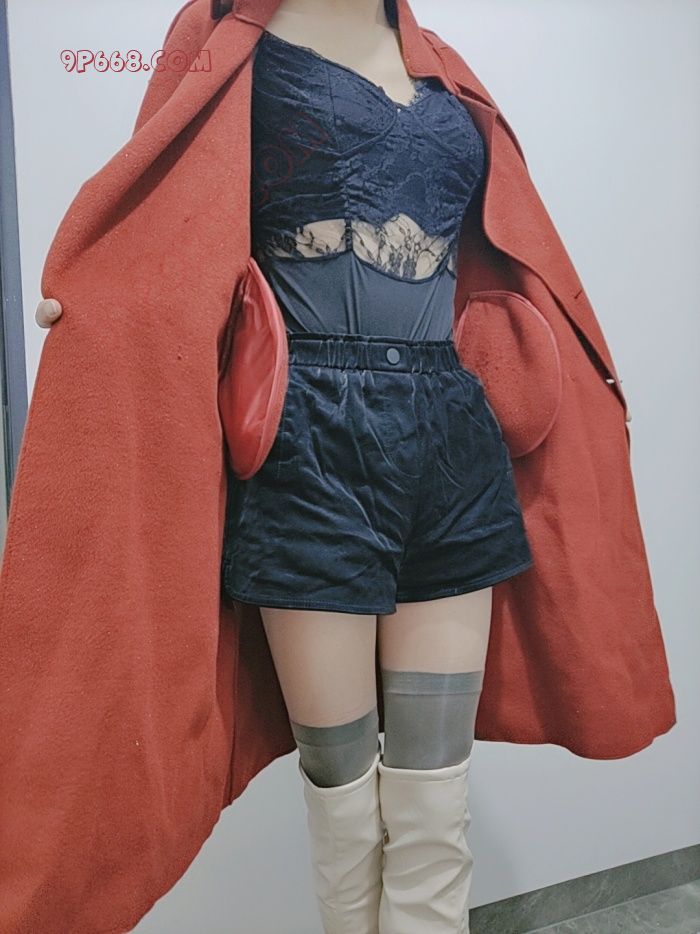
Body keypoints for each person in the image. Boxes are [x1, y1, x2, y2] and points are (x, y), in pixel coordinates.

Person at [34, 1, 536, 931]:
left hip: (450, 443)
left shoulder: (440, 63)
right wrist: (102, 309)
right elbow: (162, 209)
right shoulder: (222, 33)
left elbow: (507, 253)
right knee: (345, 811)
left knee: (435, 809)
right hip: (311, 444)